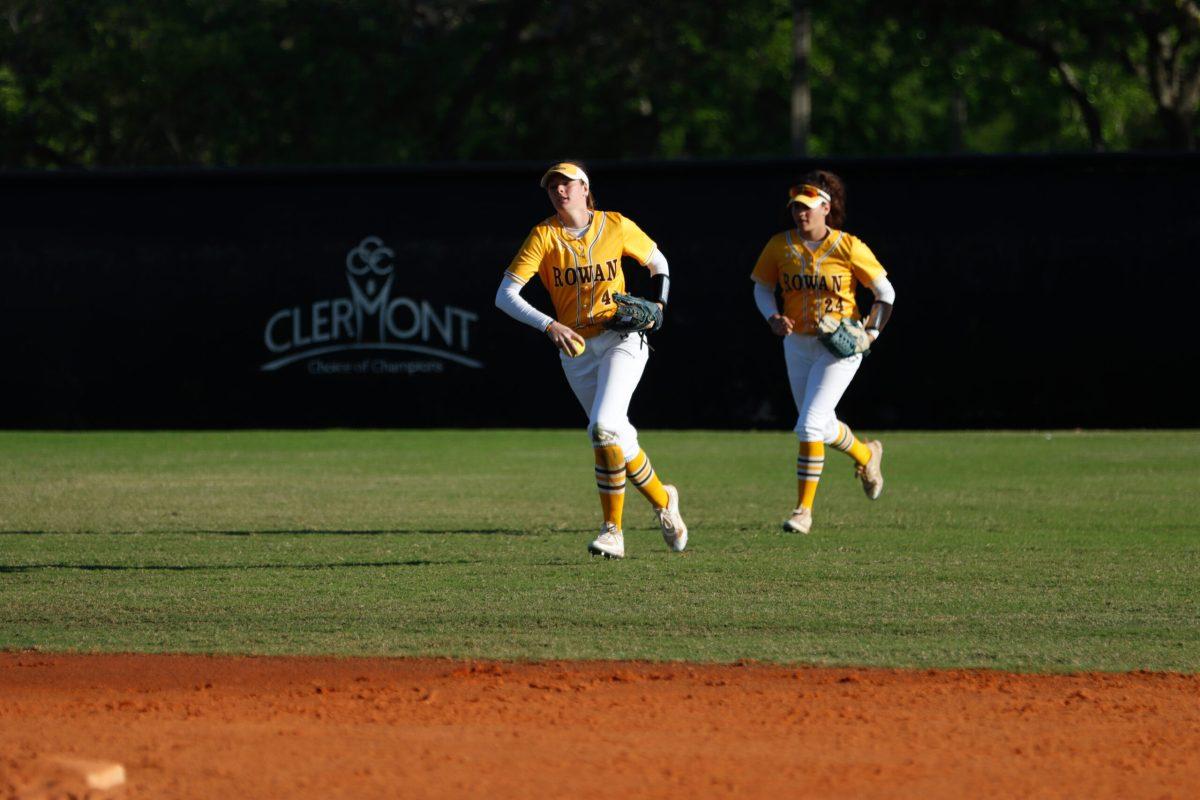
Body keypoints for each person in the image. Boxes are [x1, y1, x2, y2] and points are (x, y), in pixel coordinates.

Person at [495, 160, 687, 559]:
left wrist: (660, 304)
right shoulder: (544, 236)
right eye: (553, 186)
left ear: (585, 188)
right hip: (577, 348)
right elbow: (505, 295)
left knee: (603, 426)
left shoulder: (615, 224)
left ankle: (612, 532)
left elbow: (658, 263)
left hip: (622, 336)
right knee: (616, 436)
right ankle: (663, 501)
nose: (559, 190)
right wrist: (549, 325)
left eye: (566, 183)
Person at [750, 170, 895, 534]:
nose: (802, 213)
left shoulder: (848, 246)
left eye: (809, 207)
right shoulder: (780, 246)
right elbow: (762, 288)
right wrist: (772, 317)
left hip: (840, 345)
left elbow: (885, 293)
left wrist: (871, 333)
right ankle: (866, 453)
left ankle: (803, 511)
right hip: (797, 343)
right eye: (797, 207)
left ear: (826, 208)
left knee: (810, 424)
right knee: (819, 424)